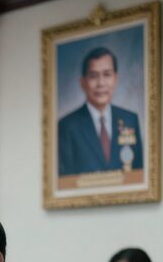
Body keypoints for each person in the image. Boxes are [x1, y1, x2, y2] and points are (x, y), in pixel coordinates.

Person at [58, 47, 143, 176]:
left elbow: (139, 173)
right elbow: (64, 180)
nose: (101, 83)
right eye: (94, 76)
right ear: (83, 82)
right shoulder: (67, 126)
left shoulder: (130, 119)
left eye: (107, 74)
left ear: (116, 79)